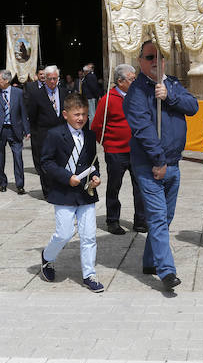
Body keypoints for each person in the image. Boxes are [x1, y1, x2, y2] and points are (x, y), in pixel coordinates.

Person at [124, 40, 199, 290]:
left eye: (159, 56)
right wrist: (158, 162)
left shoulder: (173, 84)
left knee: (165, 218)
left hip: (174, 164)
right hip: (151, 166)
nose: (155, 61)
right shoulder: (136, 92)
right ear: (140, 61)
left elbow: (193, 106)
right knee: (157, 218)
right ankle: (167, 271)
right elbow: (143, 129)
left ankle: (149, 261)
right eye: (149, 57)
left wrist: (169, 95)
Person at [39, 93, 104, 292]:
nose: (81, 118)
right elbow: (46, 162)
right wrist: (67, 177)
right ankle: (47, 257)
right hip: (63, 192)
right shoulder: (55, 134)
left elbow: (94, 162)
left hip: (86, 193)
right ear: (65, 114)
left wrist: (96, 176)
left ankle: (89, 274)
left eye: (84, 114)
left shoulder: (90, 135)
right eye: (76, 114)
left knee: (88, 236)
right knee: (64, 233)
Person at [91, 63, 146, 235]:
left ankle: (140, 221)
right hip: (116, 152)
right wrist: (107, 143)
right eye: (131, 79)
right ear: (120, 81)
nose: (135, 81)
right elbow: (97, 126)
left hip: (137, 151)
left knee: (140, 186)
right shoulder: (107, 99)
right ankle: (112, 220)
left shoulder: (138, 96)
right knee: (114, 186)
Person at [0, 69, 30, 194]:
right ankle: (2, 182)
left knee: (18, 158)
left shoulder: (18, 93)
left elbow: (23, 112)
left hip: (15, 129)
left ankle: (20, 185)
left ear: (6, 80)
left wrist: (27, 129)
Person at [26, 65, 67, 199]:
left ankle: (60, 187)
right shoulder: (36, 94)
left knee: (61, 161)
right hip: (44, 134)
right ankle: (48, 190)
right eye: (49, 79)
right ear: (45, 79)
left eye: (55, 79)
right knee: (46, 164)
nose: (52, 82)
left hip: (61, 134)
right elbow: (32, 116)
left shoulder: (64, 92)